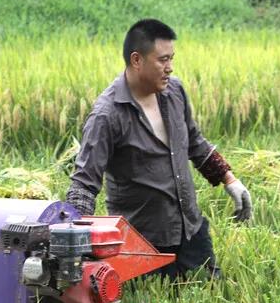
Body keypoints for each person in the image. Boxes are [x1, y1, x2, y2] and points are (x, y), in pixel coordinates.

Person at [66, 19, 252, 279]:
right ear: (137, 60)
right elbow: (84, 184)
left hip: (190, 230)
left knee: (211, 293)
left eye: (172, 59)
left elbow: (195, 142)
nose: (170, 68)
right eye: (162, 60)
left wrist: (229, 179)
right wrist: (72, 246)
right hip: (142, 245)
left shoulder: (174, 92)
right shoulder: (107, 115)